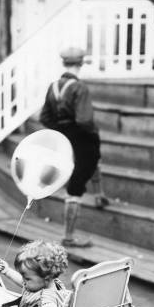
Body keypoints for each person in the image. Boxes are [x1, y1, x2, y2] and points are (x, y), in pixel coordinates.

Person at [40, 47, 107, 248]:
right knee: (83, 172)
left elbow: (45, 117)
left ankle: (99, 195)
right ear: (80, 64)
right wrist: (91, 130)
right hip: (81, 136)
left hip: (63, 137)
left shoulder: (53, 87)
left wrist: (60, 130)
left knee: (87, 164)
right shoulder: (79, 88)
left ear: (64, 64)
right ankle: (68, 237)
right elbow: (85, 119)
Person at [0, 240, 70, 307]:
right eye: (24, 276)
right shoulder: (38, 282)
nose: (24, 281)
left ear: (47, 278)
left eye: (27, 278)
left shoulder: (48, 294)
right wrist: (7, 271)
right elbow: (22, 282)